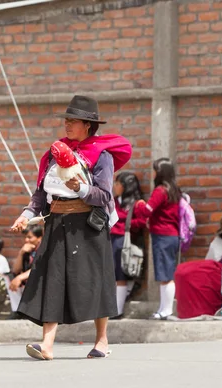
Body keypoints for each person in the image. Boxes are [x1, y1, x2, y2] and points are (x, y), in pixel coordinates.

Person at [10, 95, 132, 360]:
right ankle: (47, 344)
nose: (67, 125)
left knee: (95, 281)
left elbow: (104, 196)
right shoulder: (54, 154)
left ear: (88, 125)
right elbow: (41, 194)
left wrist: (81, 188)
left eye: (73, 120)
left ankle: (101, 340)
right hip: (56, 224)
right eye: (66, 120)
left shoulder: (102, 155)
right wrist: (26, 214)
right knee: (52, 281)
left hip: (88, 226)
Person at [135, 158, 180, 320]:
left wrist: (139, 204)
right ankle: (163, 308)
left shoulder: (160, 191)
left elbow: (147, 210)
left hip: (163, 236)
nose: (152, 173)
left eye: (154, 170)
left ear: (160, 173)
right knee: (165, 273)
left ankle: (166, 310)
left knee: (165, 274)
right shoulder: (174, 189)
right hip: (171, 235)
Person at [110, 172, 146, 319]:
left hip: (123, 242)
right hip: (111, 240)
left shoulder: (137, 204)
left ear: (126, 186)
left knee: (121, 276)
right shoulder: (115, 201)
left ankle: (118, 310)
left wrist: (126, 224)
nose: (115, 186)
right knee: (112, 275)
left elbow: (142, 222)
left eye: (118, 184)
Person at [8, 225, 44, 317]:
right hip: (28, 281)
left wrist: (20, 277)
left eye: (29, 237)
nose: (26, 240)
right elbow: (16, 270)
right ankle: (18, 311)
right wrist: (21, 253)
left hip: (40, 280)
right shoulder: (27, 250)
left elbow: (39, 268)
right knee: (10, 277)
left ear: (39, 237)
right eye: (25, 237)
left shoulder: (43, 249)